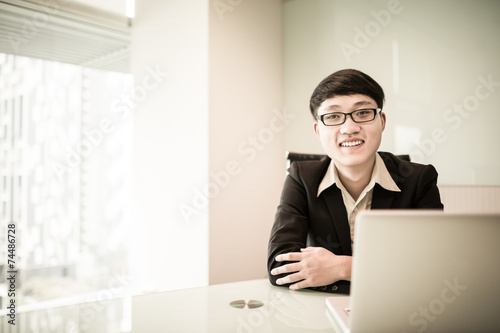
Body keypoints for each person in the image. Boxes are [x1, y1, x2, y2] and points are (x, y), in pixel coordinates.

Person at [267, 69, 444, 294]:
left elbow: (431, 267)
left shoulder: (420, 180)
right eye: (333, 116)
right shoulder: (301, 177)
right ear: (317, 131)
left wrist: (343, 267)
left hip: (396, 306)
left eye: (362, 113)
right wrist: (385, 271)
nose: (349, 128)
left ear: (382, 121)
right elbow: (280, 268)